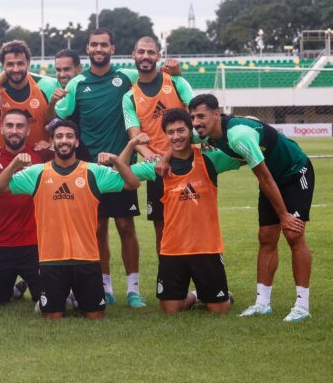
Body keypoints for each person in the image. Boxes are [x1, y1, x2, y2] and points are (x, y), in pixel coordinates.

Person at [0, 120, 140, 319]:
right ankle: (66, 298)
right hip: (51, 261)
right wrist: (14, 164)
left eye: (69, 136)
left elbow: (133, 183)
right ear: (52, 142)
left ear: (77, 142)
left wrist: (116, 160)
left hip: (87, 259)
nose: (64, 140)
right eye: (59, 137)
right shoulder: (38, 173)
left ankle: (75, 297)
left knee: (95, 316)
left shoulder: (93, 172)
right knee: (53, 317)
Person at [189, 94, 312, 322]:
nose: (196, 122)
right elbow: (182, 138)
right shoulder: (203, 133)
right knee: (266, 237)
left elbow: (264, 177)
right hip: (272, 179)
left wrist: (284, 215)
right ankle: (262, 303)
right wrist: (164, 158)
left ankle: (302, 306)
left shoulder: (238, 136)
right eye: (193, 116)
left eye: (201, 116)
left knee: (294, 234)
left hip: (295, 172)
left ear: (217, 114)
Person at [54, 28, 145, 308]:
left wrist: (175, 75)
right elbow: (61, 115)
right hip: (90, 171)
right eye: (94, 45)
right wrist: (57, 96)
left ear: (112, 48)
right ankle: (105, 287)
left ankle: (133, 290)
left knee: (125, 226)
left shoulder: (127, 77)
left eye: (104, 44)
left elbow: (155, 86)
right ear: (88, 48)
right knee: (97, 228)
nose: (99, 49)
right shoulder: (78, 83)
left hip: (121, 167)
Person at [131, 108, 241, 313]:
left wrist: (210, 139)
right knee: (170, 309)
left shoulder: (210, 158)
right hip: (173, 248)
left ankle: (212, 295)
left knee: (220, 310)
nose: (176, 136)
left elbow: (241, 153)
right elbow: (124, 175)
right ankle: (197, 295)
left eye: (181, 131)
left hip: (206, 246)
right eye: (170, 132)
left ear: (191, 131)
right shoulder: (158, 166)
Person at [0, 109, 52, 307]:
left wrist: (50, 142)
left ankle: (26, 281)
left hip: (35, 246)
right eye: (9, 126)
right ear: (1, 129)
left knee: (51, 303)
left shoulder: (43, 155)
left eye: (20, 126)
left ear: (28, 130)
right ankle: (13, 287)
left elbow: (72, 151)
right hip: (0, 245)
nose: (14, 130)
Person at [122, 36, 192, 253]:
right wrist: (146, 152)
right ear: (133, 55)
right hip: (157, 169)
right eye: (141, 51)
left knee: (194, 224)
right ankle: (169, 281)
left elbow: (196, 115)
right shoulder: (129, 97)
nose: (145, 56)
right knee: (161, 228)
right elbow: (135, 135)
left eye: (151, 52)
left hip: (187, 164)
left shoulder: (177, 82)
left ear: (158, 56)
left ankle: (207, 284)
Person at [0, 41, 57, 151]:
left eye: (20, 63)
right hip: (5, 160)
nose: (16, 69)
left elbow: (59, 125)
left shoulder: (48, 86)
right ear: (3, 65)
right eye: (10, 64)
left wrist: (50, 143)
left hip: (39, 159)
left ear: (28, 63)